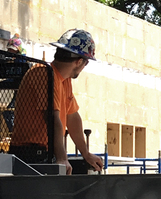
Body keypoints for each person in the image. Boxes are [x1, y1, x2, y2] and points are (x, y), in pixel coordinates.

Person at [10, 29, 104, 173]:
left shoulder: (64, 80)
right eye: (86, 63)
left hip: (45, 153)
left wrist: (86, 154)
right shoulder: (43, 73)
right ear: (79, 62)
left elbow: (72, 117)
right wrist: (62, 158)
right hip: (29, 154)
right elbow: (53, 120)